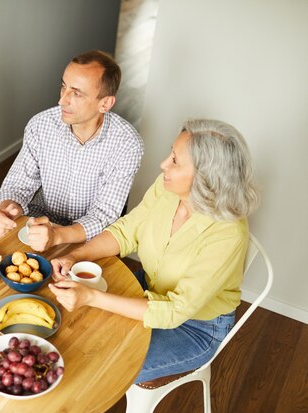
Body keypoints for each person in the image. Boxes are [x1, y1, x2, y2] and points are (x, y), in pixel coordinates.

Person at [48, 119, 260, 384]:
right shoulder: (167, 187)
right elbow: (126, 231)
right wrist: (76, 255)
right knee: (73, 330)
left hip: (195, 326)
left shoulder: (227, 234)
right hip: (147, 289)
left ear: (205, 177)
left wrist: (92, 297)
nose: (163, 165)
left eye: (175, 161)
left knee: (101, 367)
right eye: (170, 154)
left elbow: (174, 310)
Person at [0, 50, 144, 252]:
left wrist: (59, 235)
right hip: (37, 225)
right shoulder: (40, 125)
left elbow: (104, 214)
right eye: (64, 86)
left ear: (105, 103)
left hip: (89, 238)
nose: (62, 100)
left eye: (76, 93)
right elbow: (18, 184)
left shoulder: (127, 144)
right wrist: (8, 209)